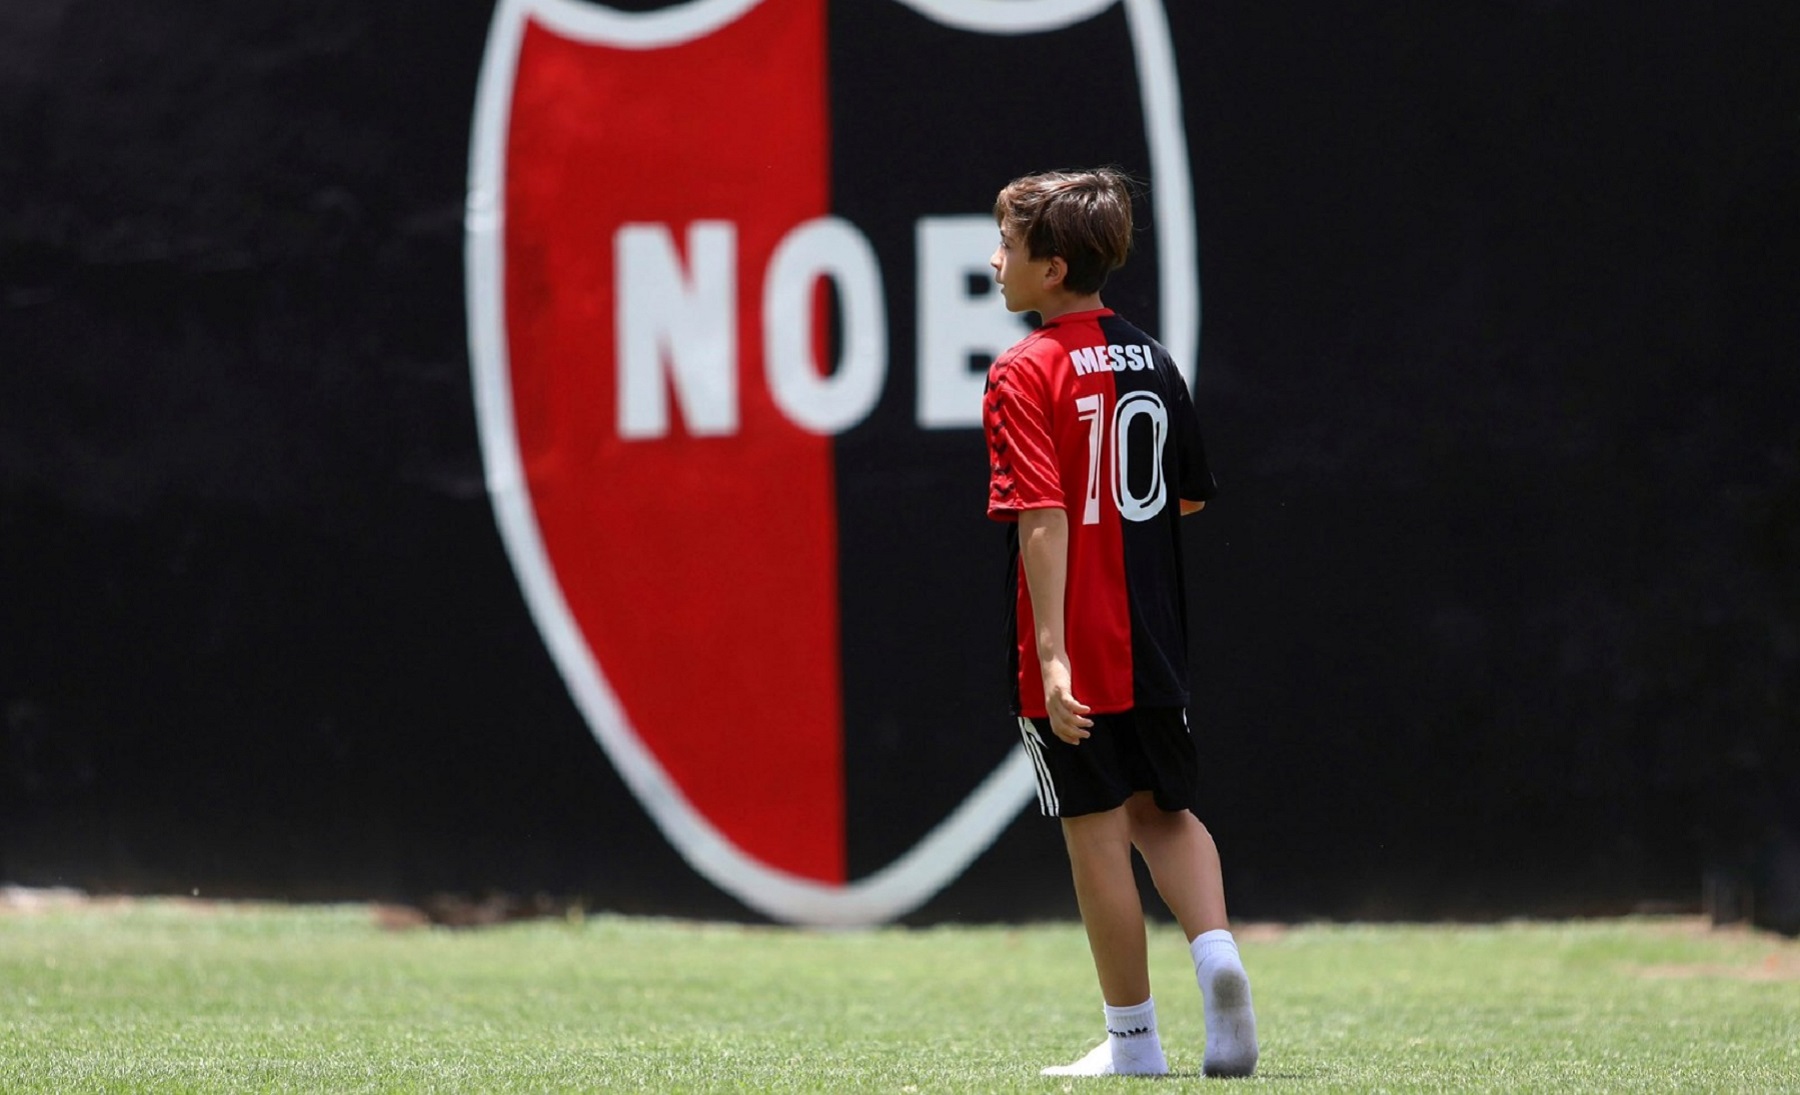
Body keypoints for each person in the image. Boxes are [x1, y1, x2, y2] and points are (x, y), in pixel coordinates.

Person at [981, 167, 1258, 1079]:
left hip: (1081, 643)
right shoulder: (1154, 357)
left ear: (1053, 269)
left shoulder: (1024, 371)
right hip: (1155, 637)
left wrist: (1054, 656)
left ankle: (1134, 1043)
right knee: (1166, 812)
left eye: (1010, 248)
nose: (996, 262)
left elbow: (1044, 517)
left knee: (1095, 829)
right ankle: (1217, 957)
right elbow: (1185, 500)